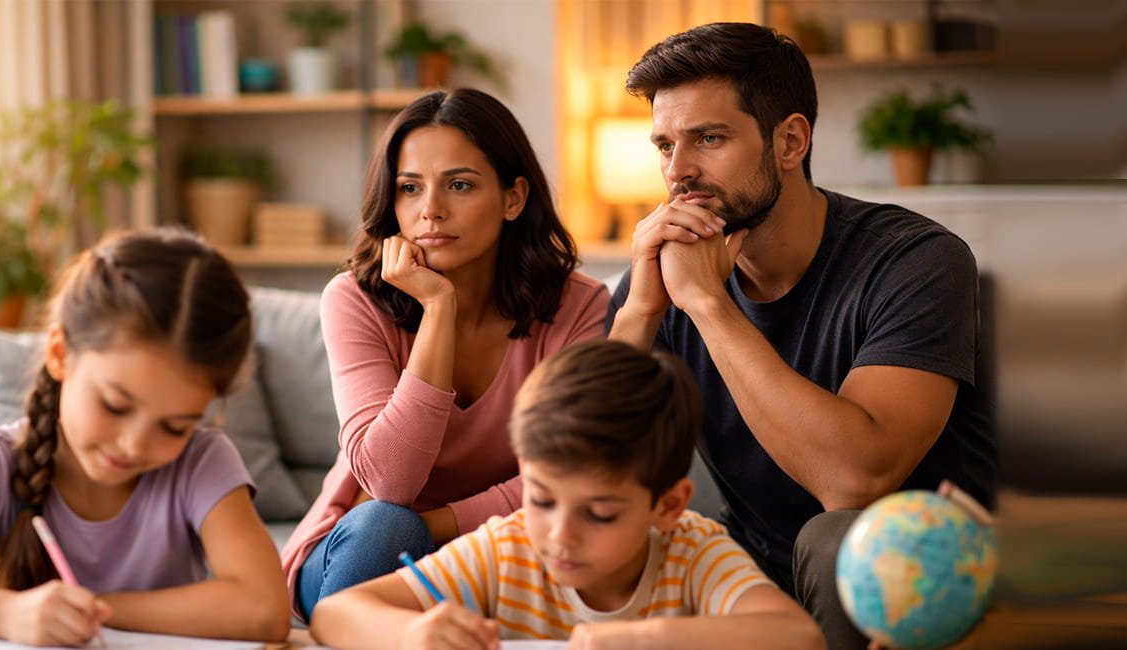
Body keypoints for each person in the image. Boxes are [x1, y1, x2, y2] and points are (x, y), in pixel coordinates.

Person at [607, 22, 996, 648]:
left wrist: (708, 305)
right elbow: (582, 462)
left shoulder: (917, 260)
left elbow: (853, 482)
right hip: (756, 570)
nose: (678, 172)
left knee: (831, 538)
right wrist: (640, 310)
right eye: (664, 146)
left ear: (790, 140)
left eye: (708, 138)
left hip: (914, 573)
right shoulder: (669, 274)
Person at [281, 88, 609, 622]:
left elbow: (570, 475)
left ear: (513, 198)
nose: (430, 210)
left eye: (459, 185)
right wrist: (438, 308)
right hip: (368, 555)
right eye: (410, 188)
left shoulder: (578, 307)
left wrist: (437, 526)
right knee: (387, 523)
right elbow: (389, 484)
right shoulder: (354, 300)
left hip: (512, 550)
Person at [0, 229, 290, 646]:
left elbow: (263, 608)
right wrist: (4, 614)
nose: (133, 445)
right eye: (114, 405)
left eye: (174, 426)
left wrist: (90, 606)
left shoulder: (201, 461)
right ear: (60, 355)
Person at [309, 339, 825, 650]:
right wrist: (410, 635)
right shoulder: (509, 548)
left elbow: (799, 638)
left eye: (599, 514)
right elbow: (334, 614)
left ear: (666, 507)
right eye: (541, 499)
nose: (558, 535)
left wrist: (645, 641)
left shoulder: (693, 552)